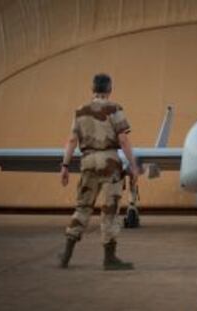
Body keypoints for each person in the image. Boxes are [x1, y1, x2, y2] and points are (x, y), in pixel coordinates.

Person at [59, 73, 140, 270]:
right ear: (110, 89)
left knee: (82, 208)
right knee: (110, 211)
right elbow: (123, 140)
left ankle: (66, 255)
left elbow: (72, 141)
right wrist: (133, 165)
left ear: (92, 89)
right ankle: (109, 258)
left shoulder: (80, 111)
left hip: (87, 162)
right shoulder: (114, 108)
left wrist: (65, 165)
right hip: (110, 163)